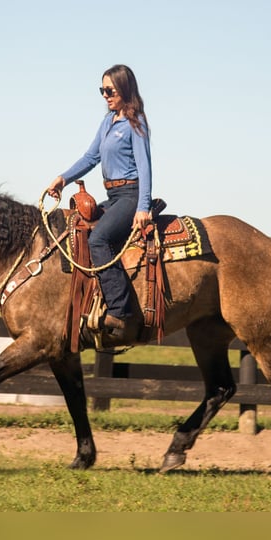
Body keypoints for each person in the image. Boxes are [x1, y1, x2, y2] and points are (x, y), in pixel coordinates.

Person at [47, 64, 152, 339]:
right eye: (101, 90)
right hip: (114, 195)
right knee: (76, 228)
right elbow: (90, 157)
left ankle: (120, 311)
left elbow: (145, 167)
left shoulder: (135, 123)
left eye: (110, 90)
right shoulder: (107, 123)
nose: (105, 95)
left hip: (130, 194)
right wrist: (63, 178)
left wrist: (143, 207)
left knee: (98, 240)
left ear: (124, 89)